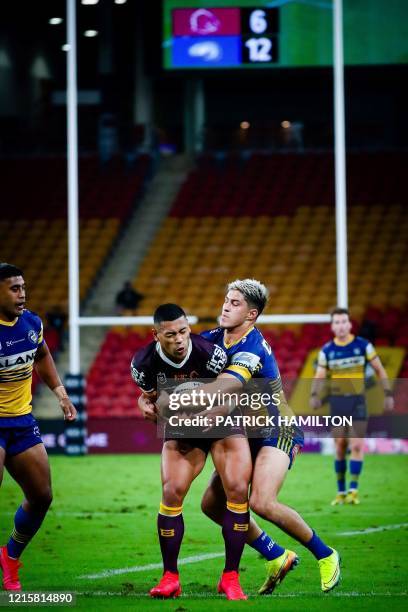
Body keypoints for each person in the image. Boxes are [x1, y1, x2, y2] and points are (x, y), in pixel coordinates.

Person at [145, 280, 340, 594]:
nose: (225, 305)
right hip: (243, 432)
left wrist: (180, 404)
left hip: (276, 429)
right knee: (212, 505)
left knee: (261, 501)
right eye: (226, 299)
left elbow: (227, 387)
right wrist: (149, 398)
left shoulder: (253, 347)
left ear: (251, 314)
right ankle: (276, 555)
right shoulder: (210, 340)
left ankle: (326, 554)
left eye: (234, 303)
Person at [131, 303, 252, 600]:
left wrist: (209, 416)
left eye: (184, 331)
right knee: (172, 491)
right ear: (156, 335)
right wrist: (144, 405)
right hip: (183, 426)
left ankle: (231, 578)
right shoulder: (143, 364)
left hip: (223, 419)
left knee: (237, 488)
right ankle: (170, 576)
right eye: (171, 334)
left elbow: (233, 392)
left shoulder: (210, 353)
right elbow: (149, 397)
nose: (179, 339)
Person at [0, 263, 77, 591]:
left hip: (21, 419)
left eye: (23, 287)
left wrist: (60, 393)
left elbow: (42, 354)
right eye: (14, 288)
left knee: (42, 495)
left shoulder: (32, 323)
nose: (22, 294)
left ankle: (10, 556)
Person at [310, 307, 394, 506]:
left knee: (356, 445)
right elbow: (319, 376)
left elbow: (380, 370)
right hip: (337, 404)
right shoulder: (327, 350)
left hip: (357, 402)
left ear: (349, 324)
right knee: (340, 446)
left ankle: (353, 491)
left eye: (343, 322)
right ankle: (340, 492)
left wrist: (388, 394)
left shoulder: (363, 345)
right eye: (336, 322)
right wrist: (314, 394)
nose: (340, 326)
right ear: (332, 326)